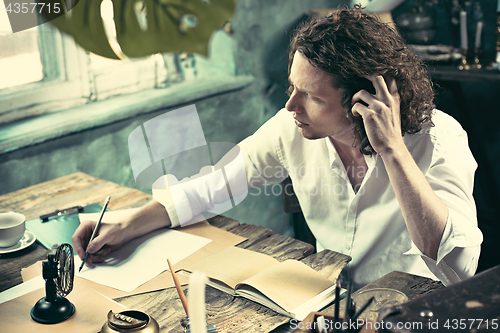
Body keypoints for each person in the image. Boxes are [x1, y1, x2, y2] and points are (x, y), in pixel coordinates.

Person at [72, 6, 482, 289]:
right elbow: (215, 185)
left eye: (312, 97)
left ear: (365, 100)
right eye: (292, 87)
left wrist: (393, 151)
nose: (290, 106)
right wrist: (125, 224)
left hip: (408, 312)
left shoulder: (439, 140)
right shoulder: (292, 127)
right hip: (326, 300)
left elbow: (459, 267)